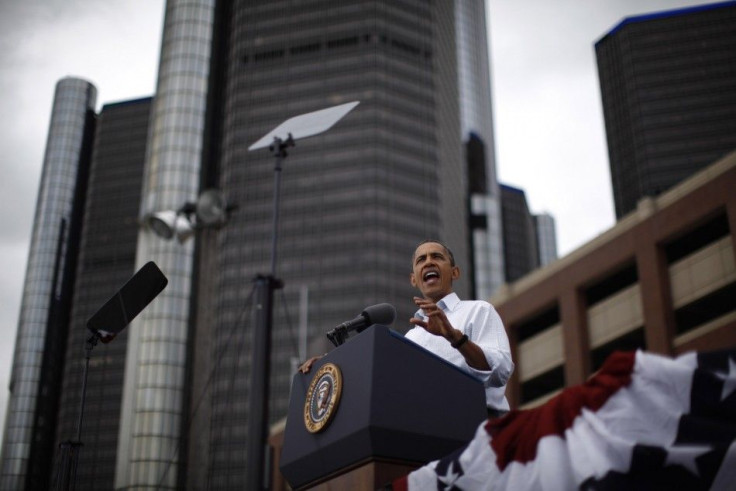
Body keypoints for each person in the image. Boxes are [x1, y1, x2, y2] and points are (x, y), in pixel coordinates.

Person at [299, 239, 514, 417]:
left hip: (483, 427)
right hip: (430, 436)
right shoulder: (410, 339)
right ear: (414, 279)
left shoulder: (479, 311)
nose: (429, 262)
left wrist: (455, 338)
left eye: (437, 257)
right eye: (421, 260)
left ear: (455, 272)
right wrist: (330, 369)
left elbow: (500, 370)